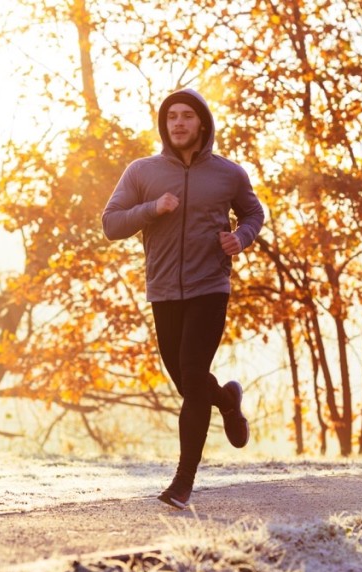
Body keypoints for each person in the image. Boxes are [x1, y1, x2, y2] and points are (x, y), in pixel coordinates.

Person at [102, 88, 265, 509]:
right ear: (164, 124)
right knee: (187, 381)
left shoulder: (228, 174)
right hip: (162, 289)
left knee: (193, 375)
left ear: (202, 124)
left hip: (210, 285)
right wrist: (152, 208)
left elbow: (253, 213)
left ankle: (182, 484)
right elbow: (111, 224)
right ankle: (227, 400)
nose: (178, 123)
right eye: (171, 116)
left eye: (187, 116)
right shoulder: (142, 171)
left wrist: (240, 238)